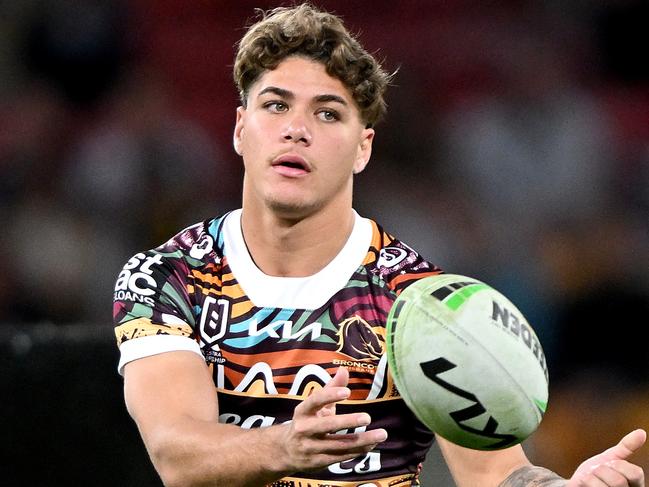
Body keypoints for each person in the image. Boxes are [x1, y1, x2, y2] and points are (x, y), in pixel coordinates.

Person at [112, 4, 646, 486]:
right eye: (275, 105)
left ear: (363, 146)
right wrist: (284, 445)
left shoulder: (420, 302)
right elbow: (175, 452)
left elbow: (495, 472)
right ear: (239, 129)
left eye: (327, 113)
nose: (296, 129)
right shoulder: (167, 278)